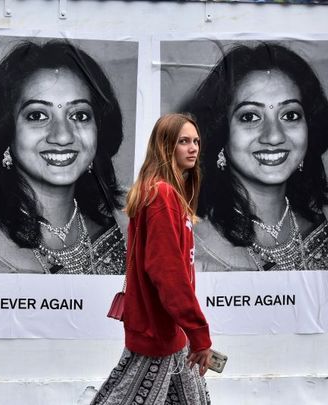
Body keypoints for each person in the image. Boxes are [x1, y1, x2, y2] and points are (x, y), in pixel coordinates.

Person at [0, 40, 126, 274]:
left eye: (79, 115)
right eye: (37, 115)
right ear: (5, 131)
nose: (62, 136)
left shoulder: (129, 232)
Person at [92, 114, 212, 404]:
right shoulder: (161, 195)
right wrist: (199, 333)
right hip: (159, 334)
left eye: (195, 141)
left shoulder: (166, 194)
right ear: (165, 147)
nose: (193, 148)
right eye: (184, 141)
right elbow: (167, 274)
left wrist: (190, 331)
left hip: (171, 332)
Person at [180, 43, 328, 271]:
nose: (274, 136)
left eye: (290, 115)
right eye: (249, 117)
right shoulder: (191, 249)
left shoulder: (321, 223)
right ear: (220, 132)